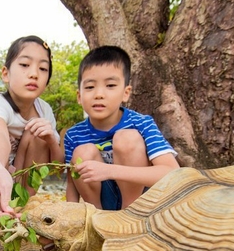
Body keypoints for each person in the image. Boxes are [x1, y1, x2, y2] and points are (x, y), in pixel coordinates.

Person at [64, 45, 179, 210]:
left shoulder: (141, 123)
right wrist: (70, 218)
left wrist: (110, 170)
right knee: (82, 152)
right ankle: (96, 218)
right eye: (90, 87)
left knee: (127, 138)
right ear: (79, 96)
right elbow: (72, 183)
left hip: (141, 203)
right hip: (101, 205)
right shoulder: (73, 135)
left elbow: (172, 172)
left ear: (126, 92)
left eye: (110, 85)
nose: (99, 94)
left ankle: (128, 215)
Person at [0, 35, 63, 231]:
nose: (34, 74)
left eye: (43, 68)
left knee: (39, 134)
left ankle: (21, 208)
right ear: (5, 73)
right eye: (25, 65)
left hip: (19, 180)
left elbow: (57, 166)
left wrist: (51, 141)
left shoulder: (44, 110)